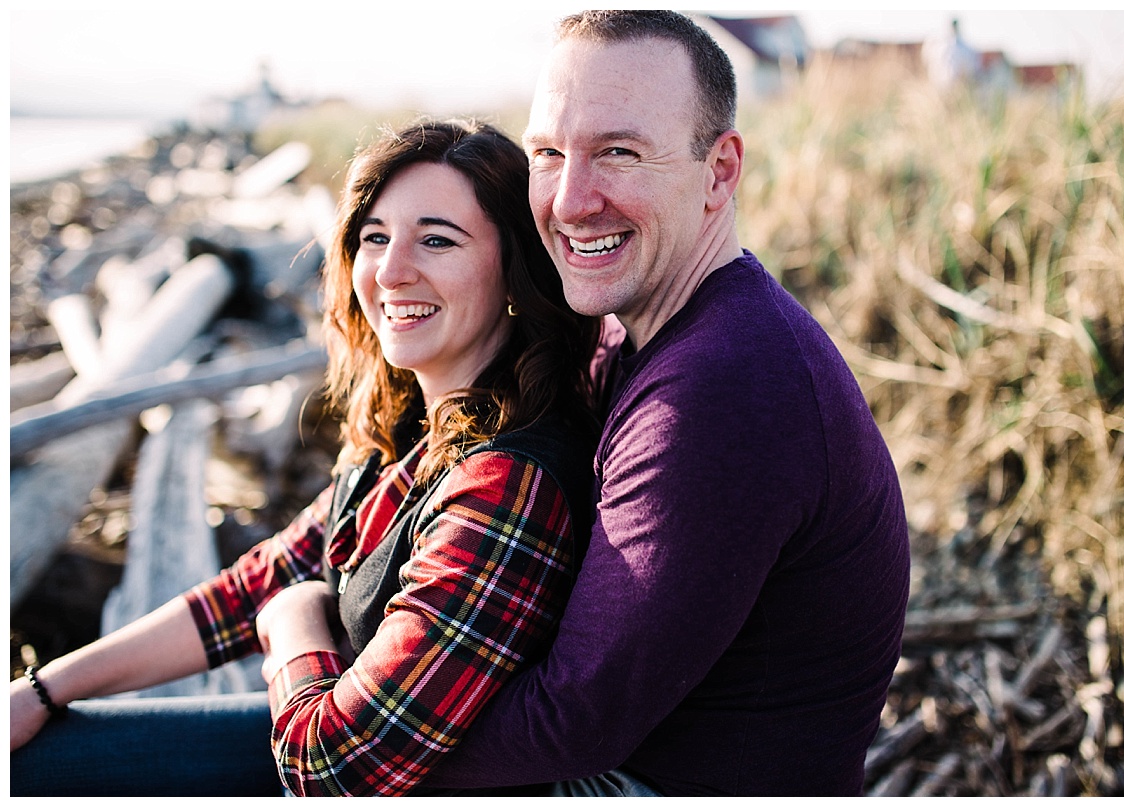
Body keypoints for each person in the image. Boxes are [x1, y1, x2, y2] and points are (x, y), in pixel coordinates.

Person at [9, 119, 601, 797]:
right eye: (374, 237)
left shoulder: (507, 484)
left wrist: (294, 619)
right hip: (315, 725)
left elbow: (337, 771)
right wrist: (40, 689)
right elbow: (250, 586)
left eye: (437, 239)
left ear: (513, 273)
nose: (390, 270)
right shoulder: (414, 430)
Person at [415, 11, 911, 796]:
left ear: (719, 171)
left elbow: (568, 726)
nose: (571, 201)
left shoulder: (725, 386)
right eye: (548, 154)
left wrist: (337, 717)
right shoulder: (638, 333)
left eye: (618, 152)